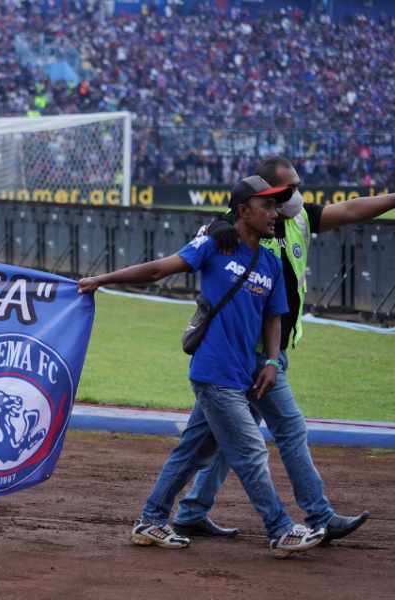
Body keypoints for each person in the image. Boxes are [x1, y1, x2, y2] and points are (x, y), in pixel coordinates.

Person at [77, 176, 327, 558]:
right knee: (250, 451)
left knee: (192, 454)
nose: (275, 214)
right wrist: (102, 279)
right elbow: (160, 269)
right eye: (268, 207)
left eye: (277, 207)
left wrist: (273, 361)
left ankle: (152, 520)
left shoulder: (271, 263)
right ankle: (279, 529)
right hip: (214, 374)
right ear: (244, 210)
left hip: (244, 375)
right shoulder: (214, 244)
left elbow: (274, 317)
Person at [171, 156, 391, 542]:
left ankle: (189, 510)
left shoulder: (299, 216)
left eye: (297, 187)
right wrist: (219, 227)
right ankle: (319, 515)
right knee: (289, 428)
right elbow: (211, 234)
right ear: (264, 191)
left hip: (256, 355)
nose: (296, 195)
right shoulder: (241, 223)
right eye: (287, 189)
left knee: (223, 439)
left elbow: (354, 209)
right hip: (252, 354)